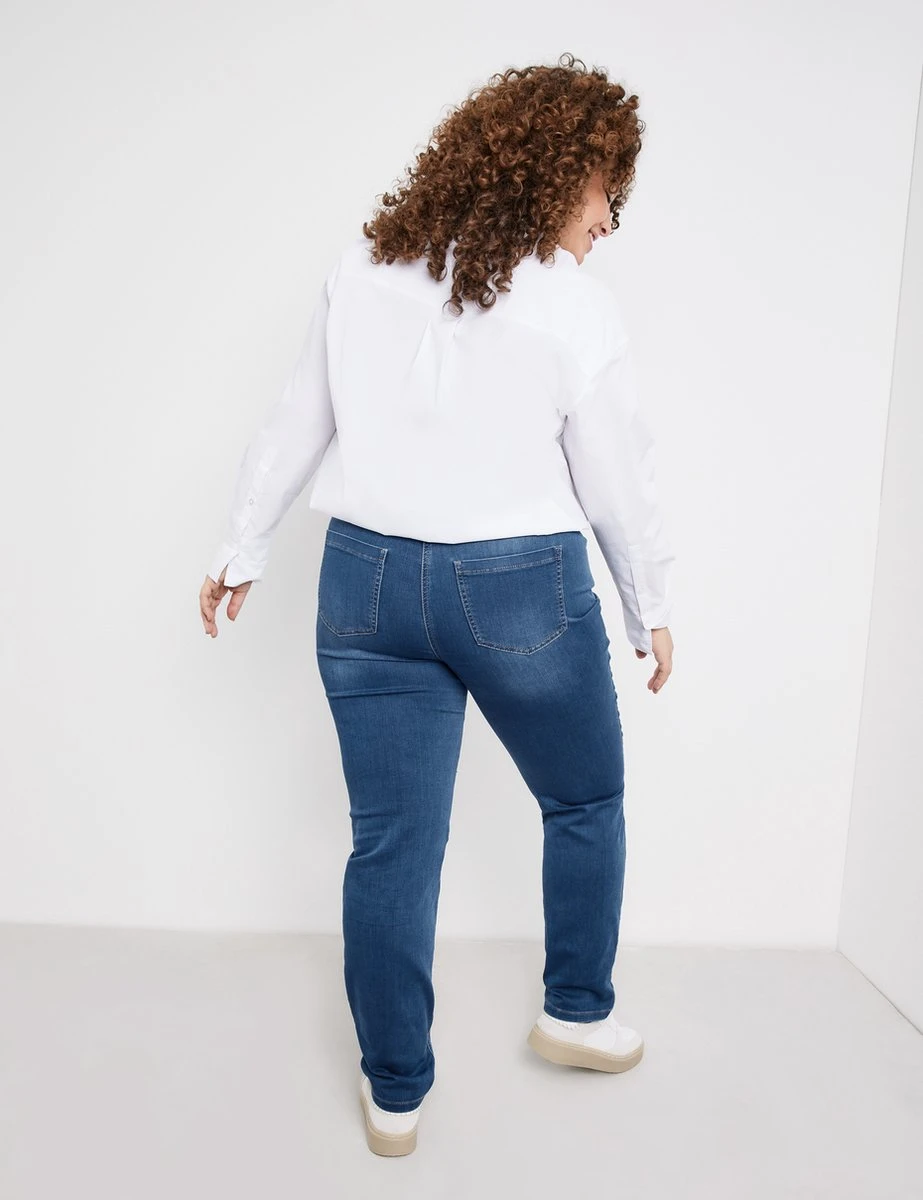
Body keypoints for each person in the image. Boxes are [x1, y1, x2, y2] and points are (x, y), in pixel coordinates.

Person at [198, 52, 675, 1157]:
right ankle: (575, 1012)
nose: (609, 218)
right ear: (554, 170)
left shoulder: (361, 274)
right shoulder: (572, 307)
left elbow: (295, 423)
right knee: (584, 799)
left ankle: (394, 1092)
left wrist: (241, 547)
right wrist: (647, 600)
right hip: (516, 588)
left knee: (391, 845)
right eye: (603, 186)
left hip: (363, 583)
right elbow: (618, 477)